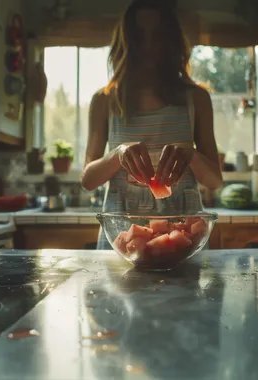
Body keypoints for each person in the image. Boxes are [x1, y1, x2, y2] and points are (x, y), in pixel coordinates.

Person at [80, 0, 223, 250]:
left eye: (156, 36)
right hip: (122, 238)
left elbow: (214, 181)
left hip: (182, 239)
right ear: (126, 43)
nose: (147, 47)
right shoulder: (104, 101)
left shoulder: (197, 98)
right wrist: (117, 154)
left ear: (171, 42)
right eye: (138, 37)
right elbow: (88, 180)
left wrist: (191, 155)